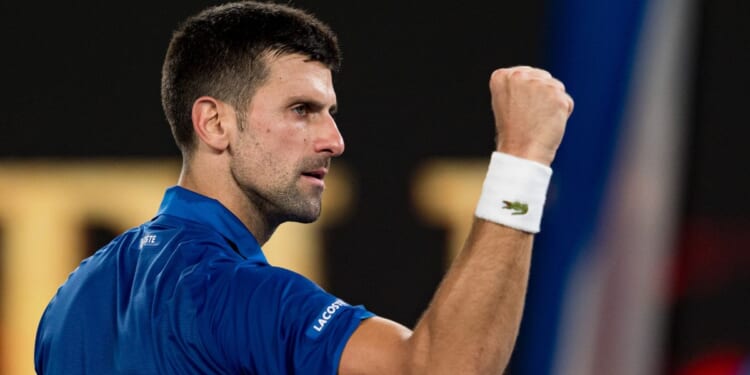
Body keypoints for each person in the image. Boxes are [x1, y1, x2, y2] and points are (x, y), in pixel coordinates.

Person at [34, 1, 573, 374]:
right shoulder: (229, 294)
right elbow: (445, 367)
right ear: (215, 124)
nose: (334, 140)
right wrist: (522, 160)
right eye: (302, 110)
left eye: (330, 113)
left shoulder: (72, 299)